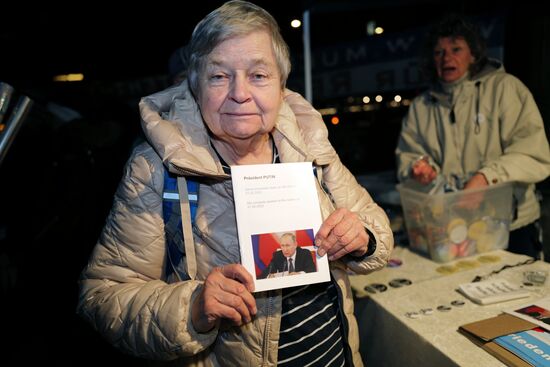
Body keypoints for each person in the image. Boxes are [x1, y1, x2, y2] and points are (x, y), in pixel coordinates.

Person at [77, 1, 393, 366]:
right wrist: (192, 308)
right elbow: (102, 296)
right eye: (219, 76)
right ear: (196, 85)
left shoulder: (309, 144)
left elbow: (374, 225)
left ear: (280, 85)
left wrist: (362, 239)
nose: (240, 93)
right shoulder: (156, 168)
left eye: (258, 75)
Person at [395, 13, 550, 259]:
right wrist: (420, 169)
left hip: (511, 226)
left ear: (474, 55)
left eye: (456, 49)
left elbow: (533, 152)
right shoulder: (421, 106)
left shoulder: (506, 88)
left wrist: (486, 178)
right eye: (439, 52)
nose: (447, 58)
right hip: (453, 227)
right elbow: (409, 155)